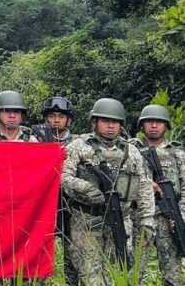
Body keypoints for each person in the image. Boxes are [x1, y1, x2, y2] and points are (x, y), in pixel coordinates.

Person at [61, 98, 154, 286]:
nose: (111, 126)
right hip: (86, 220)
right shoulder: (79, 146)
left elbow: (144, 189)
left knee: (116, 273)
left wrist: (146, 223)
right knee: (90, 276)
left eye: (115, 122)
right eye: (105, 121)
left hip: (120, 222)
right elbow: (62, 177)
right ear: (94, 122)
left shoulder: (132, 152)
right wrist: (84, 187)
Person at [131, 104, 185, 286]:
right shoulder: (130, 150)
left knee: (172, 271)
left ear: (166, 126)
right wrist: (146, 184)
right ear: (142, 126)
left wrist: (180, 217)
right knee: (134, 268)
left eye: (159, 122)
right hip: (139, 217)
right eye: (149, 122)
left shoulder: (177, 153)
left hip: (168, 218)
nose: (154, 126)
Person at [32, 96, 78, 284]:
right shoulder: (34, 140)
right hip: (41, 205)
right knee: (37, 251)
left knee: (74, 255)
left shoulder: (78, 143)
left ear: (69, 120)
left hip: (70, 205)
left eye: (61, 116)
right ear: (45, 118)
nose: (56, 120)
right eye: (52, 115)